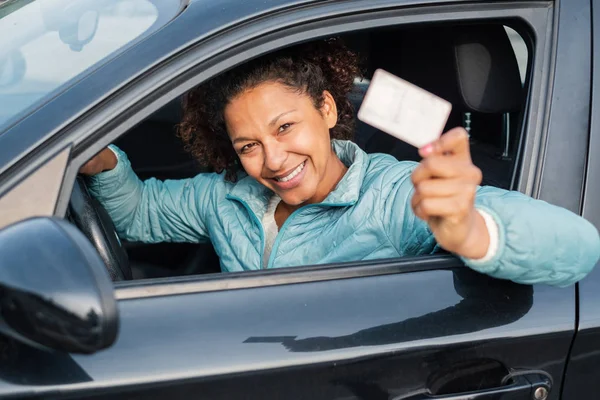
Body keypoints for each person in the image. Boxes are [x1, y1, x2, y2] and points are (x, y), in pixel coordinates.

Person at [81, 38, 600, 286]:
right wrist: (98, 160)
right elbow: (140, 212)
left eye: (285, 127)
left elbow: (579, 248)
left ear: (326, 109)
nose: (274, 160)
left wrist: (469, 230)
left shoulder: (392, 194)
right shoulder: (228, 194)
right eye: (248, 145)